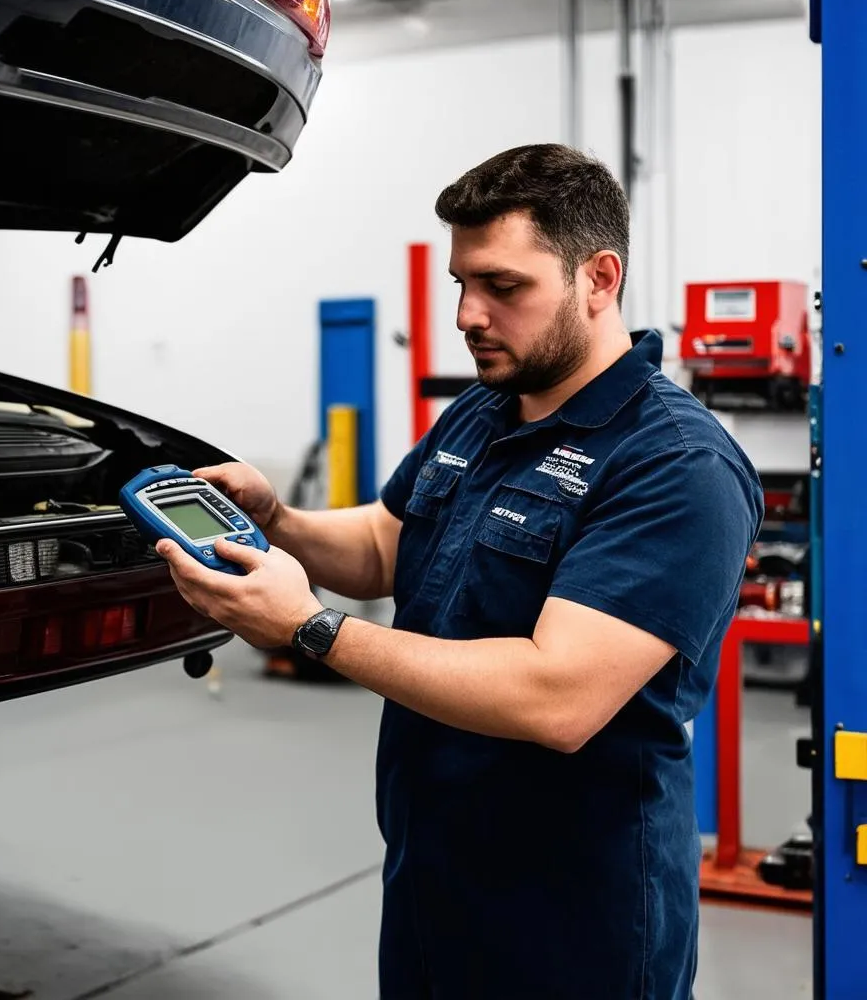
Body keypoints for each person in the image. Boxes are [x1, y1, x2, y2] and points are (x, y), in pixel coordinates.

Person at [156, 143, 764, 1000]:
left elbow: (559, 697)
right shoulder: (483, 410)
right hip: (433, 876)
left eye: (504, 287)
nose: (469, 315)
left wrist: (310, 628)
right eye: (461, 284)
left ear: (599, 278)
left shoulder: (675, 464)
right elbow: (384, 543)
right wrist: (279, 522)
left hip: (575, 918)